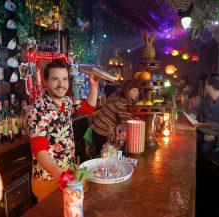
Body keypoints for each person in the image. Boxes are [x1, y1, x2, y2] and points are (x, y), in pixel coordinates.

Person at [27, 58, 99, 202]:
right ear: (46, 82)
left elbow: (88, 108)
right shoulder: (37, 110)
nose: (61, 85)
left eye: (64, 79)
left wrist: (94, 87)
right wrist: (61, 177)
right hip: (49, 179)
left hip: (68, 174)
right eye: (55, 79)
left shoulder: (66, 101)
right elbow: (39, 150)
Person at [91, 80, 139, 155]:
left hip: (97, 126)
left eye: (137, 91)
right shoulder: (122, 103)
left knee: (103, 152)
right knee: (103, 155)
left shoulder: (118, 94)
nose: (137, 93)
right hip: (102, 130)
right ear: (127, 91)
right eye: (134, 91)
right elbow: (126, 125)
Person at [189, 73, 219, 156]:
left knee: (205, 147)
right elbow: (199, 108)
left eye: (206, 85)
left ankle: (203, 167)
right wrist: (193, 113)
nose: (204, 87)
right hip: (205, 129)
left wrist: (215, 137)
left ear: (211, 88)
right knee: (189, 137)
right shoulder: (207, 99)